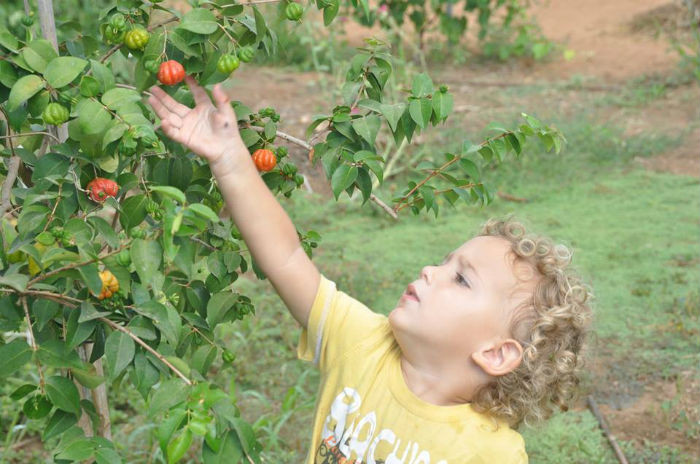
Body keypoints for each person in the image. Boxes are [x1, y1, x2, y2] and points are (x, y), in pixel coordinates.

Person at [148, 77, 593, 464]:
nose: (429, 271)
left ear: (495, 353)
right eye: (444, 262)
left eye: (461, 278)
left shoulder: (489, 453)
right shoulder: (362, 344)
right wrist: (228, 158)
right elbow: (285, 257)